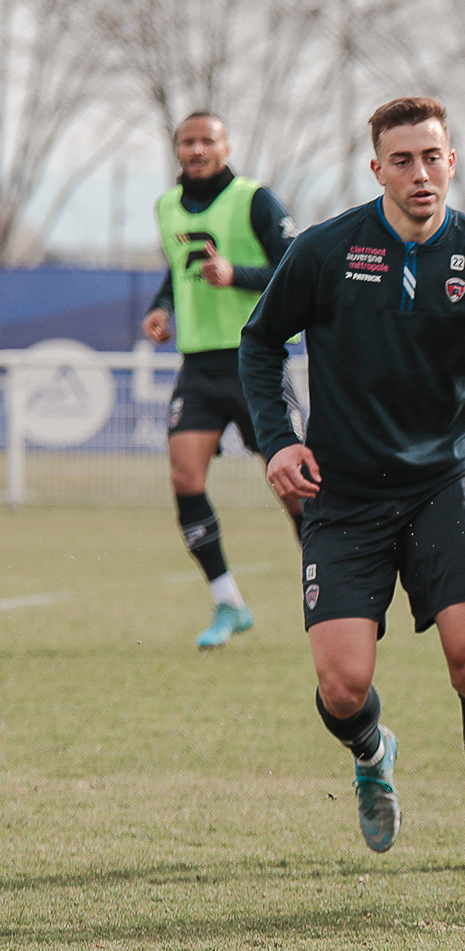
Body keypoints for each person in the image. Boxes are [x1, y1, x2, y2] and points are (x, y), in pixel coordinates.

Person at [237, 97, 465, 870]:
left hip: (442, 484)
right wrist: (278, 441)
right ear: (375, 169)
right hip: (341, 493)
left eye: (432, 157)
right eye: (402, 160)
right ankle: (373, 754)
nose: (420, 172)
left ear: (453, 162)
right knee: (343, 688)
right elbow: (259, 342)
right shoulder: (322, 250)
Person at [140, 111, 301, 648]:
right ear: (177, 149)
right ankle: (228, 601)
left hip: (255, 358)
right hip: (199, 366)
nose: (197, 149)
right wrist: (163, 307)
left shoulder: (256, 199)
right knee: (185, 478)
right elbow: (177, 267)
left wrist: (238, 275)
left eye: (207, 140)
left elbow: (294, 267)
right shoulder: (166, 205)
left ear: (225, 146)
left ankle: (335, 589)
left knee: (295, 485)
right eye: (188, 142)